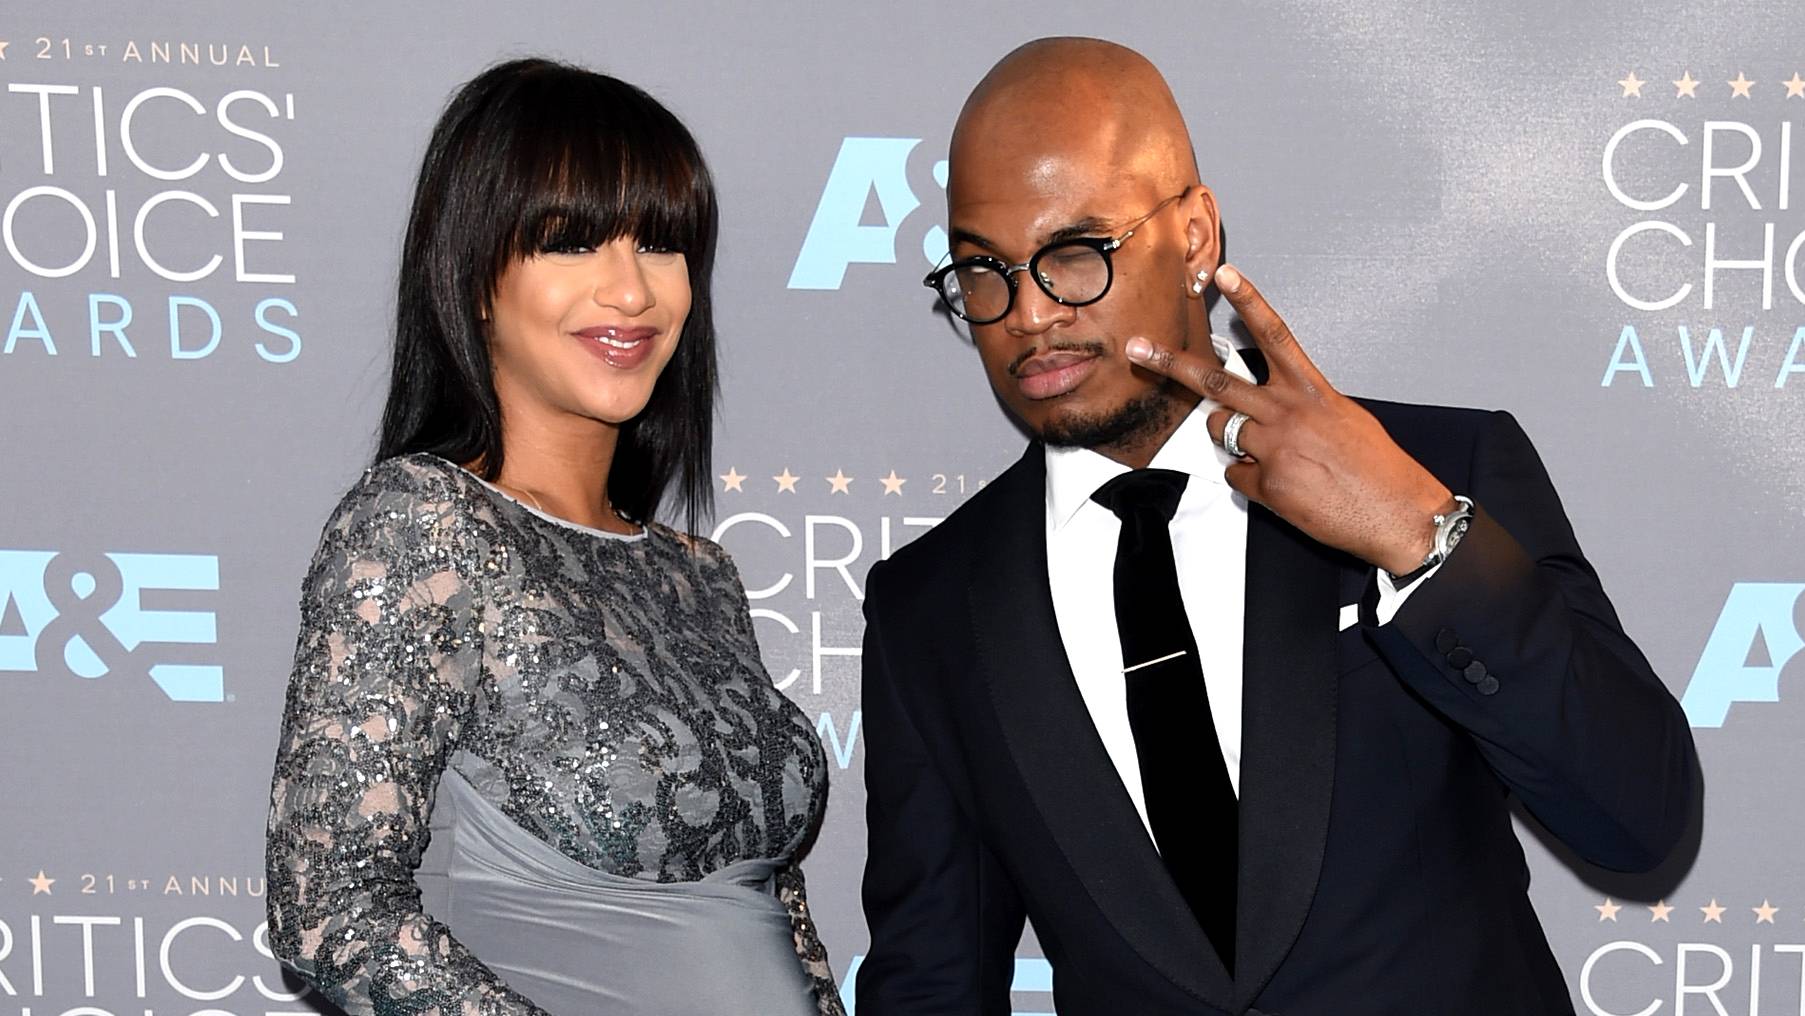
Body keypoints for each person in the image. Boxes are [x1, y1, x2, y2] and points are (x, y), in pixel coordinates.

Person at [857, 37, 1698, 1016]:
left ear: (1196, 237)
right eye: (982, 271)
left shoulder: (1437, 468)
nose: (1028, 314)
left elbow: (1639, 817)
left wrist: (1423, 540)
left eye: (1074, 255)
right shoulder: (932, 607)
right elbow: (930, 977)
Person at [265, 58, 842, 1016]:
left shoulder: (699, 577)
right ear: (474, 276)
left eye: (661, 245)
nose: (631, 292)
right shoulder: (422, 526)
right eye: (572, 244)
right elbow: (332, 911)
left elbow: (777, 910)